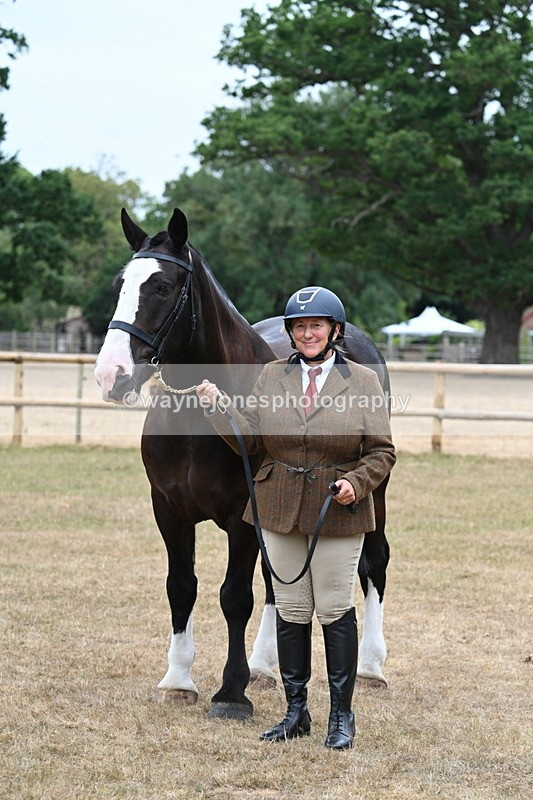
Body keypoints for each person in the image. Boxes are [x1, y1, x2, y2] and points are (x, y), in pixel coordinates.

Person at [196, 286, 396, 750]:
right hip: (278, 505)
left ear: (334, 331)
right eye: (300, 327)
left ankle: (341, 717)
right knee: (290, 609)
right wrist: (218, 408)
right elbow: (250, 440)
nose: (307, 334)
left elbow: (382, 451)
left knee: (334, 608)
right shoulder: (272, 376)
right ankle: (296, 712)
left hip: (336, 507)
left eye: (316, 326)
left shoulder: (363, 381)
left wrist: (357, 482)